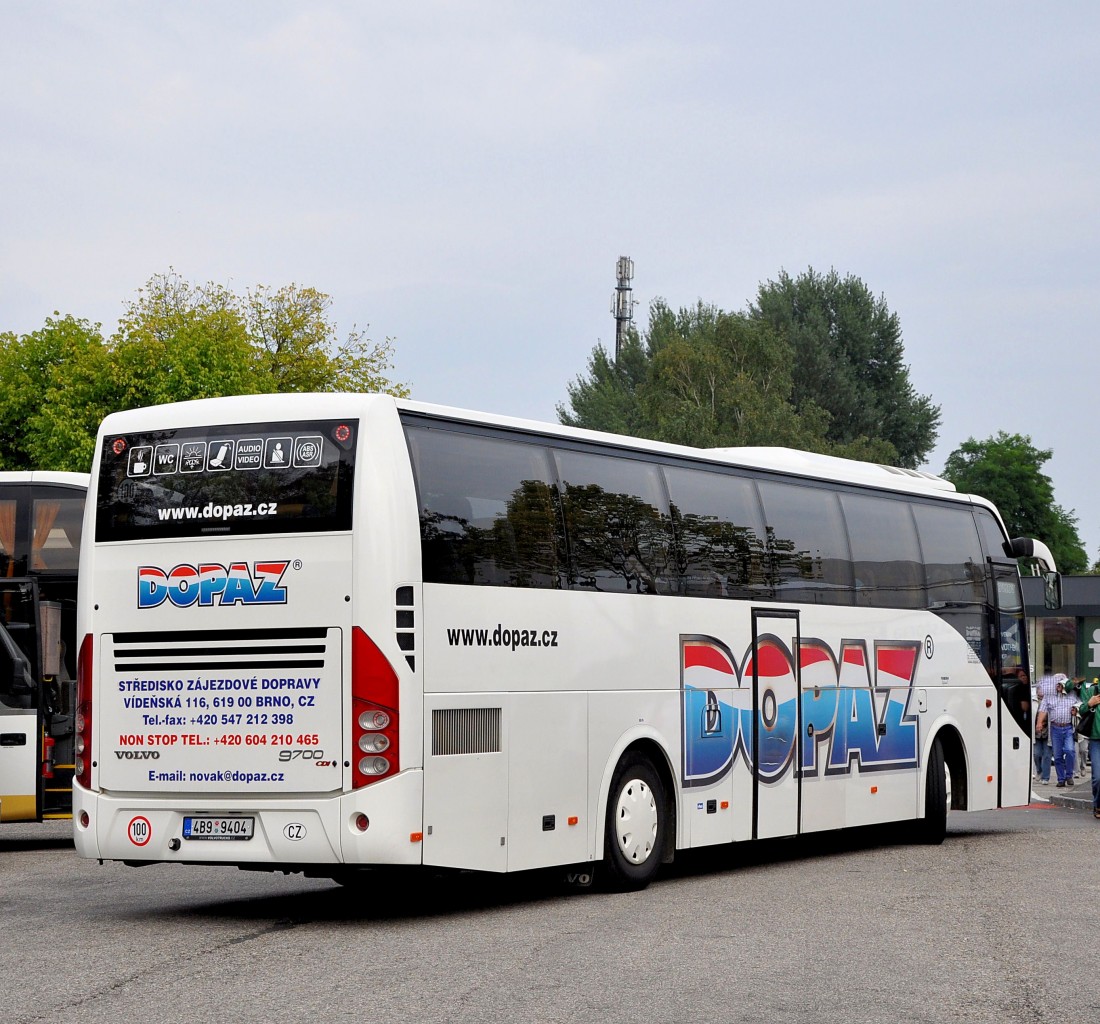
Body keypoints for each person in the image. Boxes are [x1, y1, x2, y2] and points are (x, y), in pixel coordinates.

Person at [1037, 674, 1077, 788]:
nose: (1058, 685)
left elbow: (1080, 707)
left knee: (1069, 751)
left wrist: (1076, 711)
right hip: (1055, 728)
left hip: (1068, 727)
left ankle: (1069, 775)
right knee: (1058, 755)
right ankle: (1061, 779)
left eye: (1061, 682)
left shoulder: (1072, 695)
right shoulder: (1049, 696)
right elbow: (1043, 710)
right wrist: (1039, 723)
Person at [1076, 676, 1100, 819]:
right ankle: (1097, 804)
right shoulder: (1094, 690)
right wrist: (1089, 704)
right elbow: (1082, 710)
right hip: (1096, 741)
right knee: (1097, 778)